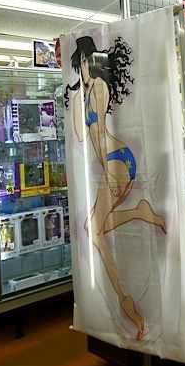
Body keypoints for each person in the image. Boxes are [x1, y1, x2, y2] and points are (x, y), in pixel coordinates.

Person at [65, 35, 166, 341]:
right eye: (80, 63)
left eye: (86, 61)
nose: (83, 68)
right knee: (92, 228)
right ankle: (140, 212)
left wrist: (110, 175)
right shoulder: (86, 93)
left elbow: (96, 133)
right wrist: (76, 100)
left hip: (117, 161)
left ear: (93, 62)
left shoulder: (99, 86)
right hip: (113, 161)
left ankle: (126, 302)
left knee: (95, 231)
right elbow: (80, 136)